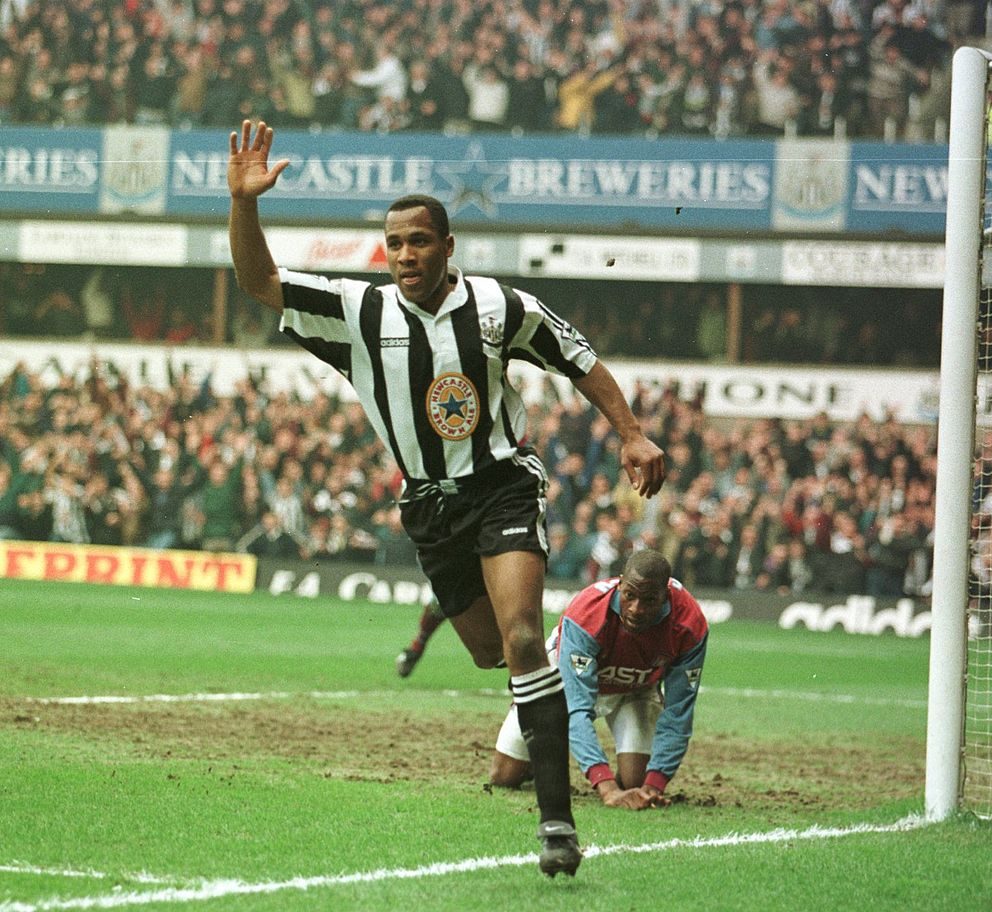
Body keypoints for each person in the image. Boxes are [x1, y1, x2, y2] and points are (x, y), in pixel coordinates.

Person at [226, 119, 666, 878]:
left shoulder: (499, 307)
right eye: (394, 244)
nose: (405, 256)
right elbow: (260, 283)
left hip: (499, 484)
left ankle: (557, 825)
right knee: (494, 650)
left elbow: (578, 357)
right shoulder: (359, 313)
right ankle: (555, 682)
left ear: (447, 245)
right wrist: (244, 206)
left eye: (419, 242)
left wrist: (629, 431)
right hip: (427, 505)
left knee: (525, 639)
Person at [490, 550, 707, 810]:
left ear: (666, 596)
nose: (637, 609)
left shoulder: (689, 626)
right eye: (630, 596)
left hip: (634, 690)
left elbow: (678, 713)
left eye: (649, 600)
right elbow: (575, 709)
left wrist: (653, 786)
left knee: (635, 781)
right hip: (561, 683)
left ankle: (631, 780)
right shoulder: (586, 615)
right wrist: (606, 788)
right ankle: (529, 721)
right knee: (504, 776)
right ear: (620, 583)